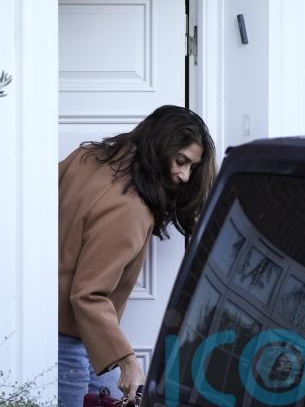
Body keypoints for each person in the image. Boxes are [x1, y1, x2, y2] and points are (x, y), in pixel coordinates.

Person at [58, 105, 216, 407]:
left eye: (192, 167)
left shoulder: (85, 157)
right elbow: (88, 295)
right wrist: (128, 361)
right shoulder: (129, 209)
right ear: (159, 147)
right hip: (73, 344)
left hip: (76, 336)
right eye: (181, 161)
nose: (184, 176)